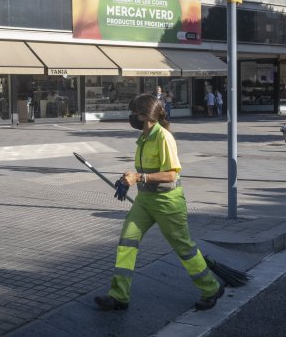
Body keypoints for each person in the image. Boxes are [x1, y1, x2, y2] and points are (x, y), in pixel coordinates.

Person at [94, 94, 223, 312]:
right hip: (145, 201)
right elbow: (144, 171)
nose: (132, 116)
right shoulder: (144, 138)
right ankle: (119, 295)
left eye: (134, 112)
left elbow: (171, 175)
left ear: (145, 115)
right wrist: (128, 178)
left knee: (184, 247)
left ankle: (211, 288)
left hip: (167, 203)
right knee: (127, 241)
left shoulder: (164, 137)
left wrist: (140, 177)